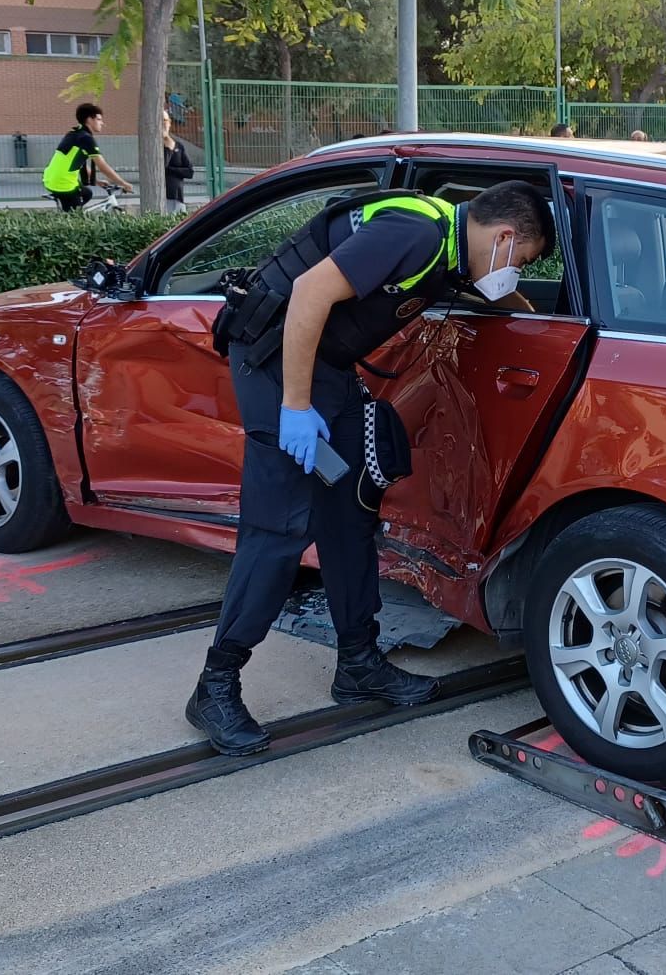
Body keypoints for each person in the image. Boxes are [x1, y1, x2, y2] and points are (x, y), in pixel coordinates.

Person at [189, 181, 556, 755]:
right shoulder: (417, 233)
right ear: (505, 236)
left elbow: (501, 300)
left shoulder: (459, 250)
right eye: (522, 262)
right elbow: (310, 292)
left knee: (349, 513)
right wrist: (295, 405)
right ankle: (216, 684)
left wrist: (540, 319)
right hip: (274, 361)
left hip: (323, 366)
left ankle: (358, 662)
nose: (514, 273)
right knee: (280, 528)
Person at [43, 102, 133, 210]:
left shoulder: (74, 133)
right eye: (99, 119)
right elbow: (102, 166)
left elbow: (78, 163)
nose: (102, 123)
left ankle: (67, 211)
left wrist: (97, 181)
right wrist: (123, 183)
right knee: (75, 219)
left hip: (50, 178)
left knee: (87, 194)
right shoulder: (86, 138)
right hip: (63, 183)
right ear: (90, 119)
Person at [161, 110, 195, 213]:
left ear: (170, 123)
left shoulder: (178, 145)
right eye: (159, 122)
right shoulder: (156, 147)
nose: (162, 125)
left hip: (178, 197)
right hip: (165, 197)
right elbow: (162, 167)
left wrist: (171, 169)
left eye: (164, 121)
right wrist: (169, 149)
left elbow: (190, 172)